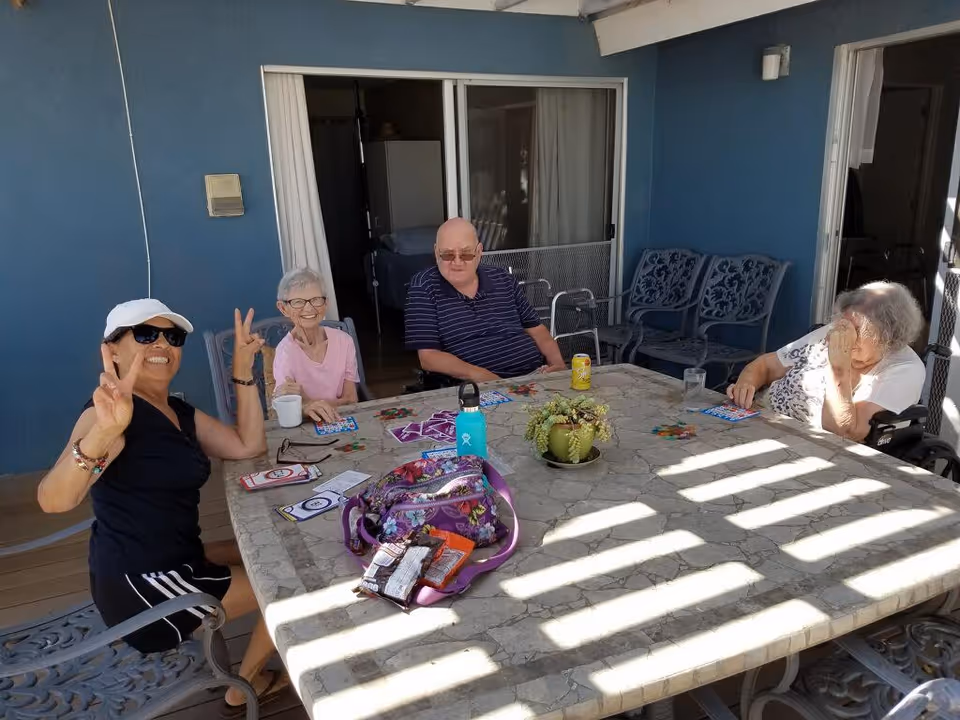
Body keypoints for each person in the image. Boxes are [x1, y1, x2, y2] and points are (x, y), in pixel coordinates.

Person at [37, 299, 284, 716]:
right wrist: (104, 433)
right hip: (145, 587)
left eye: (173, 336)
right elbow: (54, 499)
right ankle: (243, 688)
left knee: (277, 553)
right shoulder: (110, 417)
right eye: (146, 334)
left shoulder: (178, 411)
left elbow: (247, 446)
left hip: (177, 556)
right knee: (283, 587)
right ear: (112, 350)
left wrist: (243, 371)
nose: (163, 344)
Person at [726, 281, 925, 441]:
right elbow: (766, 365)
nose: (840, 333)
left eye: (856, 330)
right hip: (763, 420)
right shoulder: (836, 329)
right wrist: (746, 384)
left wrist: (838, 365)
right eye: (842, 322)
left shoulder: (905, 370)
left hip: (809, 445)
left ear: (887, 336)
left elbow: (845, 432)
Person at [404, 218, 566, 383]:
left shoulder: (503, 278)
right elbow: (429, 357)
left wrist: (557, 364)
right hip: (474, 387)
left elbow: (537, 330)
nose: (457, 262)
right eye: (447, 254)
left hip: (534, 375)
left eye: (466, 253)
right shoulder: (423, 286)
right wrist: (483, 378)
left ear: (479, 251)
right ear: (436, 252)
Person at [272, 268, 359, 424]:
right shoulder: (285, 353)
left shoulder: (344, 341)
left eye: (316, 299)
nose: (309, 308)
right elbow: (287, 407)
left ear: (325, 303)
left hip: (341, 419)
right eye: (298, 302)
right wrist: (305, 407)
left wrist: (307, 404)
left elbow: (351, 400)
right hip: (307, 425)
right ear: (283, 308)